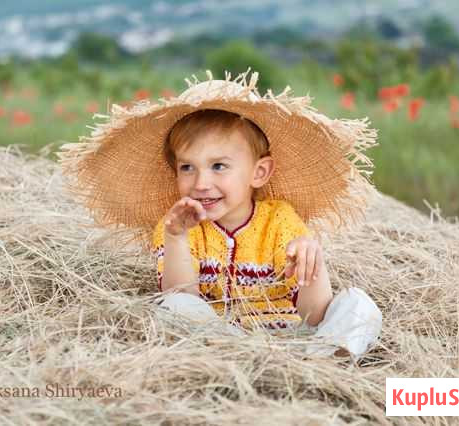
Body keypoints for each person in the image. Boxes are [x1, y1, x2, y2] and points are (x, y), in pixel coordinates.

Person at [58, 69, 382, 359]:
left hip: (290, 338)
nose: (201, 183)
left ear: (259, 173)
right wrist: (176, 239)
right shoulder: (178, 227)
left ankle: (319, 360)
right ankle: (235, 357)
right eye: (187, 167)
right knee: (172, 307)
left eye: (219, 166)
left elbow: (313, 315)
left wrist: (312, 265)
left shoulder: (280, 220)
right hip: (218, 338)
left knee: (360, 306)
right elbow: (181, 296)